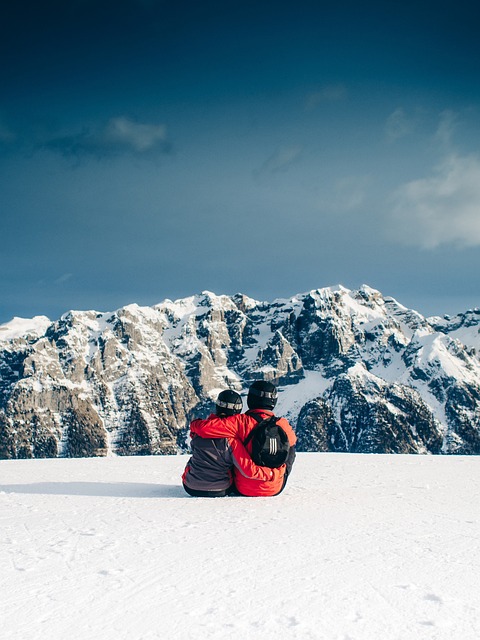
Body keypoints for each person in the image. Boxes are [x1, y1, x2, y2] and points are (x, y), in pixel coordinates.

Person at [189, 381, 296, 497]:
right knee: (291, 447)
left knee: (231, 447)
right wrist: (277, 473)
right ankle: (275, 479)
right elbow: (291, 449)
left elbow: (204, 429)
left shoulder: (240, 422)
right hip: (275, 486)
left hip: (244, 488)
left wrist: (195, 423)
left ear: (250, 399)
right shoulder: (282, 424)